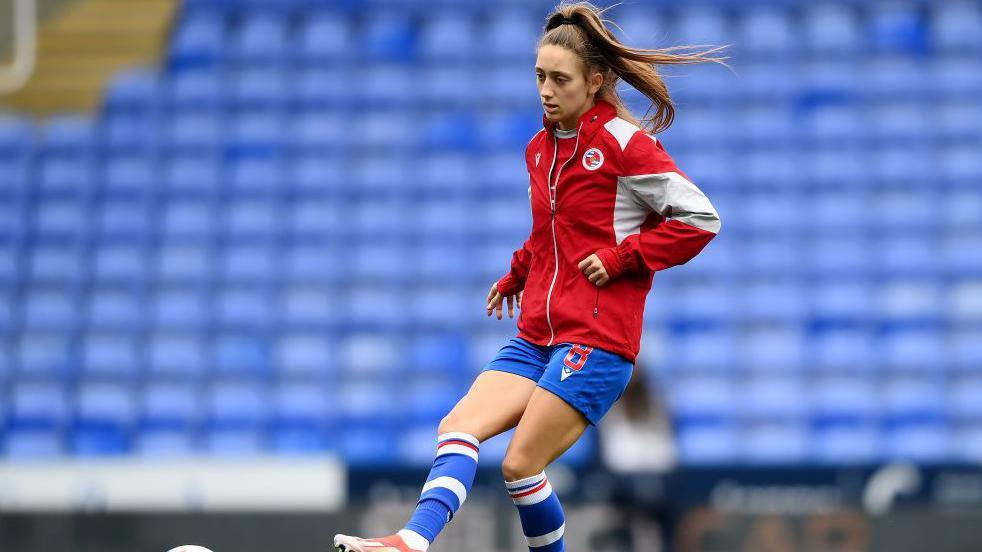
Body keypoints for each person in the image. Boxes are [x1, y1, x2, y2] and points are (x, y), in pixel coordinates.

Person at [334, 2, 724, 551]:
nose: (545, 89)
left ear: (594, 82)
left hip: (596, 340)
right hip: (538, 334)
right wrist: (518, 273)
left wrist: (623, 257)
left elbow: (701, 218)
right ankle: (410, 542)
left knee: (520, 464)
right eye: (539, 76)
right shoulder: (540, 149)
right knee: (457, 428)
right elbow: (548, 236)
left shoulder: (623, 144)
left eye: (559, 79)